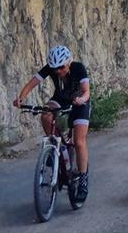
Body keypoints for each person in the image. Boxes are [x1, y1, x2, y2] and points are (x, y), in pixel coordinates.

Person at [13, 45, 91, 202]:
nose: (58, 72)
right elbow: (32, 83)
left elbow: (86, 91)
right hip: (61, 99)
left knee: (79, 142)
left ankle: (83, 180)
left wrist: (81, 100)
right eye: (54, 68)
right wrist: (21, 97)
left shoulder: (78, 68)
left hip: (79, 102)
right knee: (46, 114)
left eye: (61, 68)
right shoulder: (52, 68)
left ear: (68, 63)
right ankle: (54, 144)